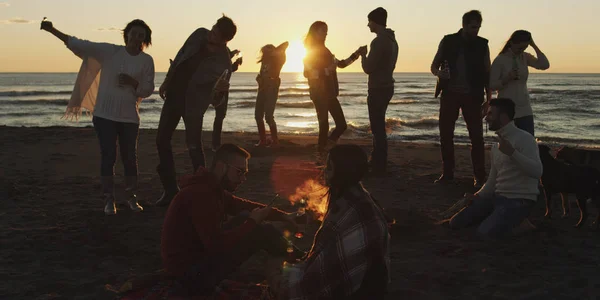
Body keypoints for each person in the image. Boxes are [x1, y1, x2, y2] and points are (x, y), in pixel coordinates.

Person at [41, 19, 155, 215]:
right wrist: (52, 30)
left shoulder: (147, 60)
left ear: (145, 39)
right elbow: (79, 44)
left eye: (141, 35)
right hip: (104, 115)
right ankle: (109, 199)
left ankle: (131, 197)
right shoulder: (109, 52)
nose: (136, 38)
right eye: (133, 33)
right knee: (108, 156)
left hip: (129, 118)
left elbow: (148, 90)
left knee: (130, 158)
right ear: (126, 34)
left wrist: (132, 83)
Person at [160, 143, 303, 297]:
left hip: (197, 259)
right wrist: (252, 222)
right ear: (222, 167)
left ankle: (301, 259)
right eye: (239, 172)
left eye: (245, 173)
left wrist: (282, 215)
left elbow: (242, 206)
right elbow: (216, 245)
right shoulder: (200, 194)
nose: (243, 179)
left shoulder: (212, 188)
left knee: (244, 217)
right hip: (189, 276)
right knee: (260, 232)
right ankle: (305, 262)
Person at [266, 144, 391, 299]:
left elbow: (326, 275)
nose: (324, 171)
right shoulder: (353, 196)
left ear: (342, 172)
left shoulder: (355, 209)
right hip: (366, 284)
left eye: (329, 167)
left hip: (360, 290)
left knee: (276, 274)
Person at [155, 15, 236, 207]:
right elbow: (179, 56)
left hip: (194, 106)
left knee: (194, 147)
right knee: (161, 140)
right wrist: (167, 80)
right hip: (174, 96)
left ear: (225, 40)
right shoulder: (199, 34)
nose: (211, 33)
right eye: (213, 28)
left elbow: (216, 101)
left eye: (216, 33)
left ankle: (204, 192)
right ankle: (170, 190)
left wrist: (220, 93)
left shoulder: (224, 63)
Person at [448, 98, 542, 239]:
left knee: (484, 234)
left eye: (491, 114)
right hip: (497, 198)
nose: (486, 117)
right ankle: (498, 217)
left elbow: (537, 172)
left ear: (503, 117)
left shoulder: (525, 139)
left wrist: (512, 153)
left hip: (519, 201)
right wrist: (477, 196)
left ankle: (522, 223)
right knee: (454, 223)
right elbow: (492, 181)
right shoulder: (496, 146)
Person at [430, 10, 492, 188]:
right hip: (449, 94)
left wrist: (488, 99)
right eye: (473, 27)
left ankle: (479, 177)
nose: (476, 31)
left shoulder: (482, 44)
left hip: (473, 95)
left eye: (478, 27)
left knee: (477, 137)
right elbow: (434, 65)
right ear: (464, 25)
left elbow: (487, 72)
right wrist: (439, 73)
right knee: (446, 135)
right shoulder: (448, 40)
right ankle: (448, 174)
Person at [303, 21, 363, 156]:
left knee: (341, 125)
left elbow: (340, 64)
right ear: (315, 32)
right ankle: (322, 152)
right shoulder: (310, 52)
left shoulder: (326, 51)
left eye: (326, 31)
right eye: (322, 31)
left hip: (330, 93)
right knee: (324, 125)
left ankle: (325, 147)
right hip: (319, 93)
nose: (326, 34)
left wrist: (356, 54)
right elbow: (307, 73)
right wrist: (326, 71)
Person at [360, 7, 399, 173]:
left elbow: (369, 68)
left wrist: (363, 55)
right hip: (388, 85)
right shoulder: (392, 40)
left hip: (378, 87)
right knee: (379, 125)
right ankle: (378, 159)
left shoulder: (378, 41)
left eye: (369, 21)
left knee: (377, 127)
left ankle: (379, 163)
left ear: (375, 22)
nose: (368, 25)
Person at [490, 30, 550, 136]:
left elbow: (544, 65)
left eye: (524, 48)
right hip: (506, 109)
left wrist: (534, 45)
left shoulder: (524, 57)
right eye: (519, 48)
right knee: (509, 142)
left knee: (528, 140)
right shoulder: (500, 60)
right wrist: (506, 79)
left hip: (524, 108)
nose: (521, 50)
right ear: (512, 43)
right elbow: (491, 85)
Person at [255, 42, 289, 147]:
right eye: (264, 51)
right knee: (258, 115)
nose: (265, 53)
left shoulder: (278, 60)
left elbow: (286, 44)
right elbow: (262, 74)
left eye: (267, 51)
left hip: (271, 88)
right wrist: (259, 78)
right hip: (262, 88)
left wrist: (274, 51)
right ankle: (263, 140)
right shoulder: (264, 61)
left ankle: (275, 141)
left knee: (269, 116)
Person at [211, 49, 243, 152]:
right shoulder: (221, 54)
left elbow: (229, 69)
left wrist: (236, 63)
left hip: (220, 89)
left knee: (219, 116)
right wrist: (235, 60)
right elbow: (227, 69)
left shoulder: (221, 55)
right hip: (220, 89)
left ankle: (215, 143)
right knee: (220, 116)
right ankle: (215, 144)